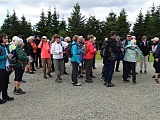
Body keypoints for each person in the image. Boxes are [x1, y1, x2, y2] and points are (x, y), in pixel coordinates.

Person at [0, 34, 14, 104]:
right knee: (1, 83)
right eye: (5, 38)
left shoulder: (6, 46)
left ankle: (5, 96)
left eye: (7, 38)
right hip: (1, 67)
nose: (6, 39)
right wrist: (6, 56)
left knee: (6, 82)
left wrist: (10, 57)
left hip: (6, 66)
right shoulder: (0, 47)